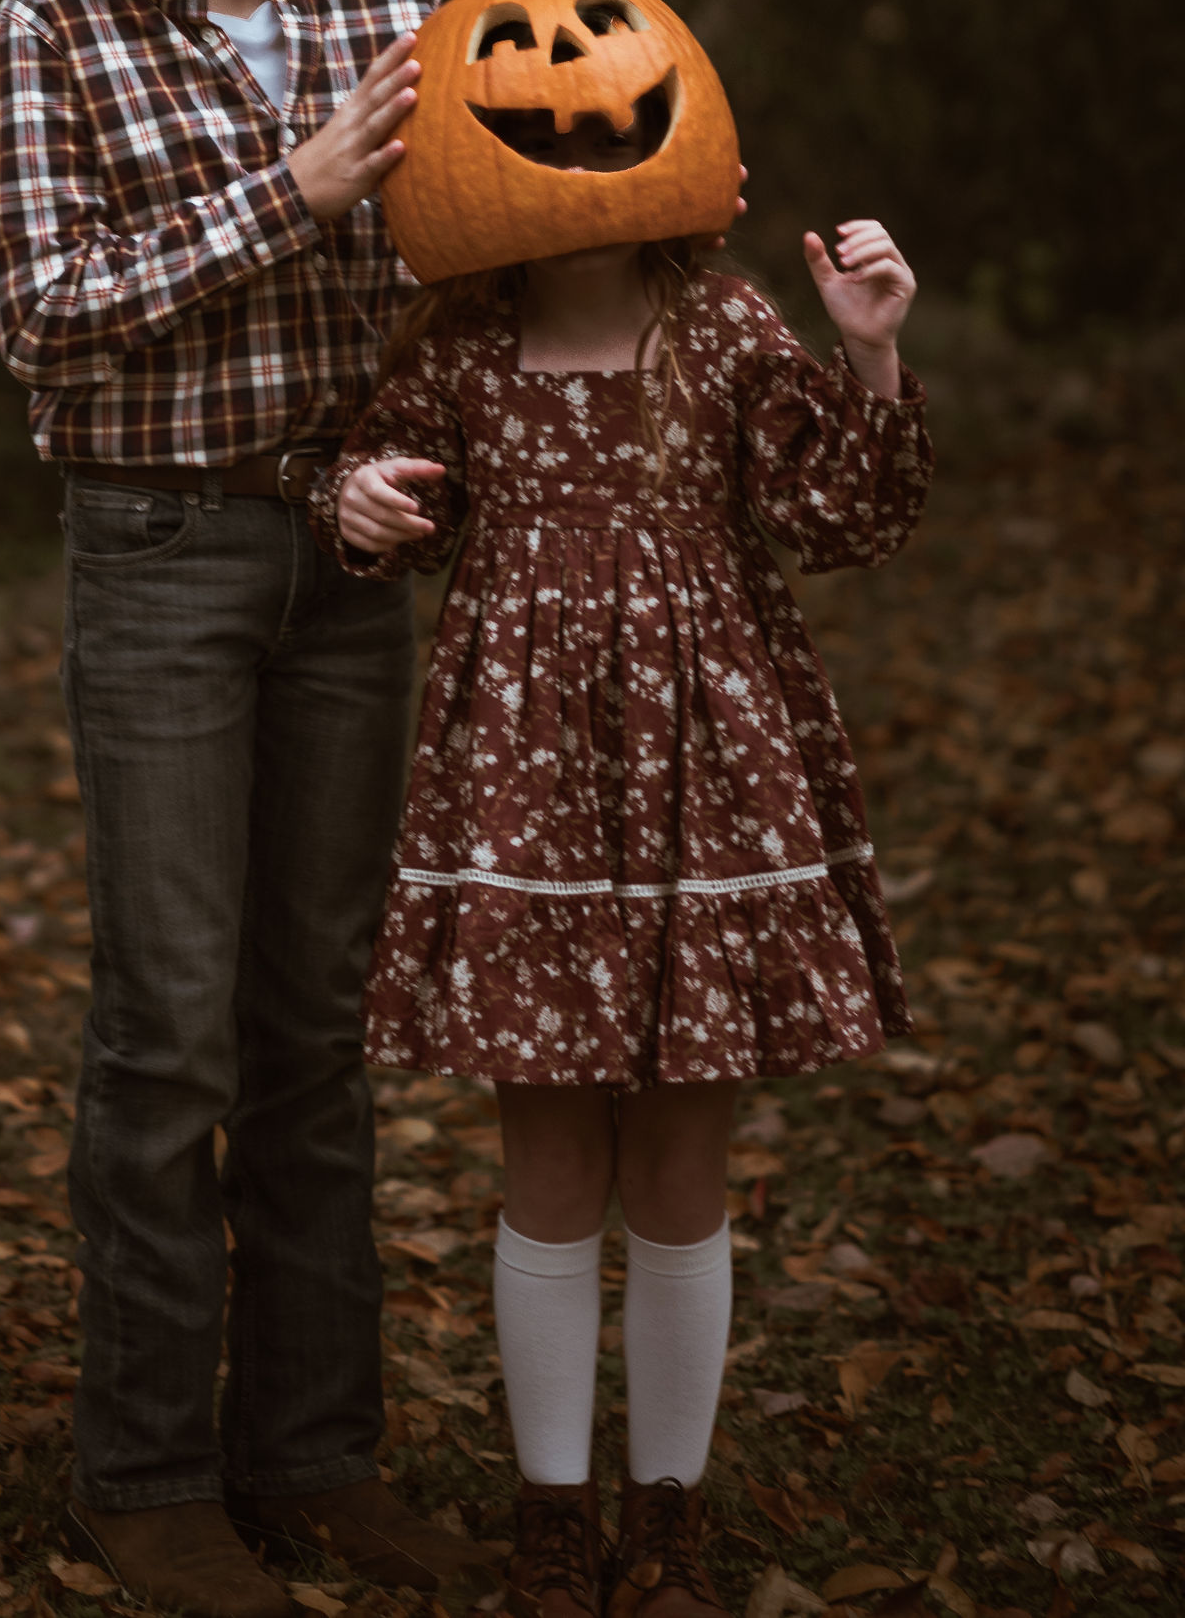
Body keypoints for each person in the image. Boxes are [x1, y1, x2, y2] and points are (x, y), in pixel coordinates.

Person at [307, 101, 933, 1618]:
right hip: (524, 793)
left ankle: (666, 1516)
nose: (576, 161)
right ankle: (552, 1512)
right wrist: (356, 499)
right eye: (534, 133)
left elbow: (843, 517)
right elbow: (382, 506)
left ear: (679, 145)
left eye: (611, 129)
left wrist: (868, 354)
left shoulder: (722, 327)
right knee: (549, 1162)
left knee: (676, 1164)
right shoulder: (463, 346)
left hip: (706, 779)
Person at [0, 0, 502, 1618]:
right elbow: (44, 312)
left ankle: (313, 1454)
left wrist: (633, 224)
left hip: (346, 553)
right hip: (159, 548)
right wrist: (294, 189)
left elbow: (461, 251)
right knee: (167, 1027)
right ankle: (147, 1481)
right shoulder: (52, 23)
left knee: (312, 1024)